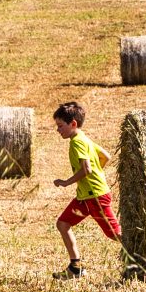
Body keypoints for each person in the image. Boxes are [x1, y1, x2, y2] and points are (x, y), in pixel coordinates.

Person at [50, 100, 119, 280]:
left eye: (60, 126)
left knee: (115, 234)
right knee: (63, 224)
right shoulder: (84, 138)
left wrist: (66, 182)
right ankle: (75, 268)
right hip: (85, 198)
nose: (58, 130)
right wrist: (98, 171)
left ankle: (145, 256)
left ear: (73, 124)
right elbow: (106, 156)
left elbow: (86, 169)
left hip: (95, 196)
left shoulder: (76, 142)